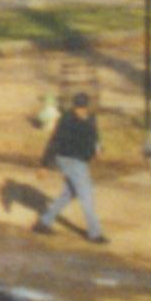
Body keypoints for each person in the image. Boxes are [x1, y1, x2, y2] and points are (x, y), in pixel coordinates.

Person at [34, 91, 106, 243]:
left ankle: (44, 222)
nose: (79, 110)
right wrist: (44, 165)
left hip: (81, 160)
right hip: (68, 159)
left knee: (69, 193)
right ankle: (95, 233)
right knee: (86, 194)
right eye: (77, 107)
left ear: (87, 107)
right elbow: (54, 142)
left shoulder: (91, 118)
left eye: (82, 107)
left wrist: (99, 149)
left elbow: (95, 137)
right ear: (74, 106)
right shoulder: (66, 119)